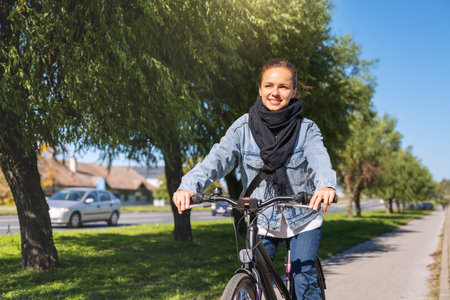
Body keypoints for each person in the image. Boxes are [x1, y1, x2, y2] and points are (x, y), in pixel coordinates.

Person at [173, 58, 336, 299]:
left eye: (283, 86)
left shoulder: (306, 129)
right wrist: (188, 186)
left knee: (304, 282)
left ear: (294, 91)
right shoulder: (243, 128)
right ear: (260, 89)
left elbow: (319, 158)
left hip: (302, 216)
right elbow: (217, 159)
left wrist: (325, 184)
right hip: (262, 218)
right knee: (253, 276)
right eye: (269, 85)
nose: (275, 92)